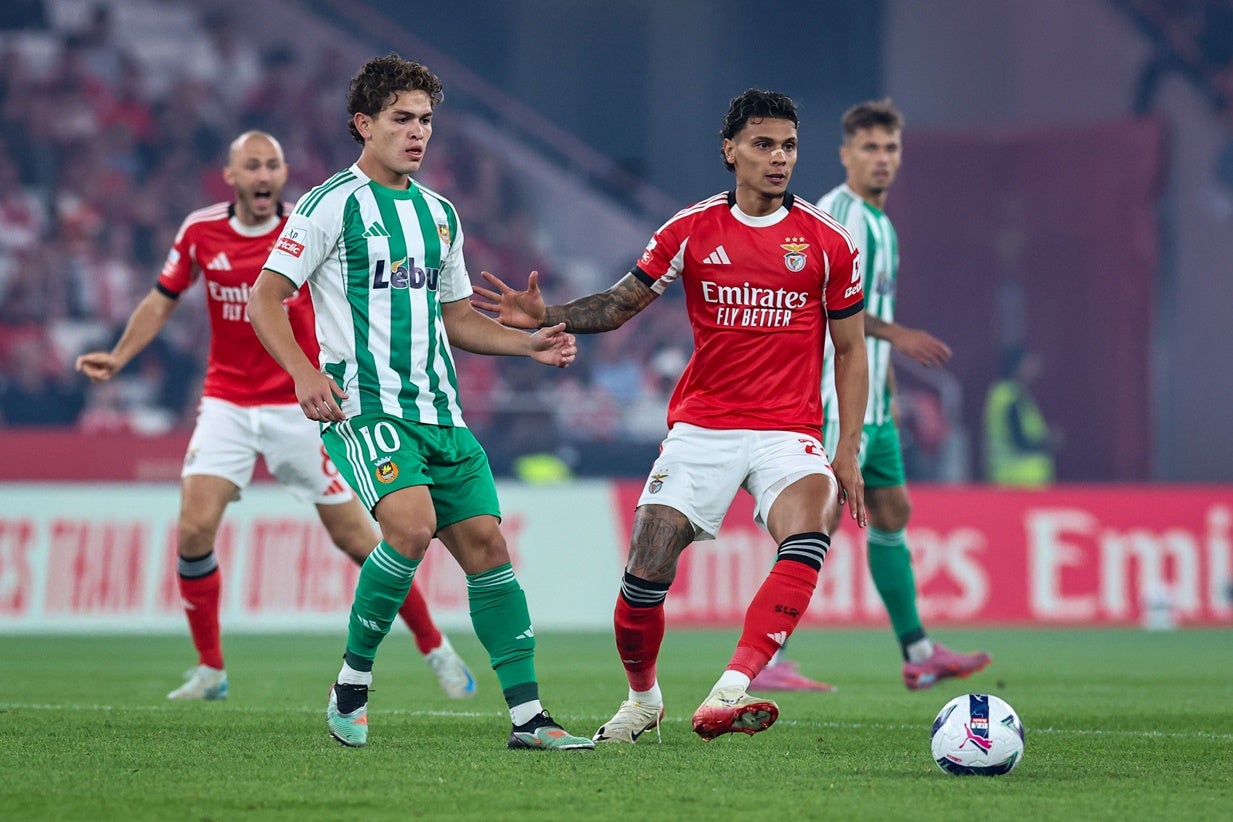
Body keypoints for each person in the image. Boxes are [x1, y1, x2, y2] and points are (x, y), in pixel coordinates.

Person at [473, 88, 870, 744]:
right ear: (729, 150)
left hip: (787, 430)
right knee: (645, 566)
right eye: (763, 144)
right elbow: (620, 304)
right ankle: (642, 700)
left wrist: (845, 445)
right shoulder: (690, 230)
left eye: (789, 146)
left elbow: (851, 349)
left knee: (811, 525)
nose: (778, 158)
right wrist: (547, 315)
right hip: (703, 428)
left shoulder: (828, 243)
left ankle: (730, 687)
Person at [246, 54, 593, 751]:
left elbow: (456, 317)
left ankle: (528, 718)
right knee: (409, 527)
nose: (417, 133)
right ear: (363, 124)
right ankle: (351, 681)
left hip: (441, 412)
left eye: (426, 120)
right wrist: (303, 372)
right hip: (366, 406)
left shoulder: (439, 215)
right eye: (401, 119)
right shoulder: (328, 205)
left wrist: (526, 346)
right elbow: (265, 298)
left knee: (488, 547)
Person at [75, 130, 476, 703]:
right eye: (252, 167)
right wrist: (118, 356)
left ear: (283, 174)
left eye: (272, 166)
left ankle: (434, 645)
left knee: (364, 541)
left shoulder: (312, 224)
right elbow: (163, 297)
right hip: (227, 402)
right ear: (232, 176)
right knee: (192, 528)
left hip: (302, 404)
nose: (264, 176)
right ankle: (210, 669)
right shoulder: (200, 231)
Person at [752, 99, 991, 694]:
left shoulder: (883, 225)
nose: (881, 159)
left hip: (875, 410)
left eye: (889, 149)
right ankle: (767, 658)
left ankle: (917, 653)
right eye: (869, 148)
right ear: (845, 154)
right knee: (816, 523)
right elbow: (838, 314)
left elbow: (865, 323)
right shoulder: (839, 217)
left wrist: (886, 390)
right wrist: (899, 335)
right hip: (834, 406)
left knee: (892, 512)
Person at [983, 345, 1057, 486]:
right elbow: (1018, 439)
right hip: (1019, 479)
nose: (1036, 368)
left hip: (1015, 478)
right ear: (1018, 366)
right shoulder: (1009, 397)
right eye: (1030, 363)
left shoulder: (1007, 394)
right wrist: (1047, 442)